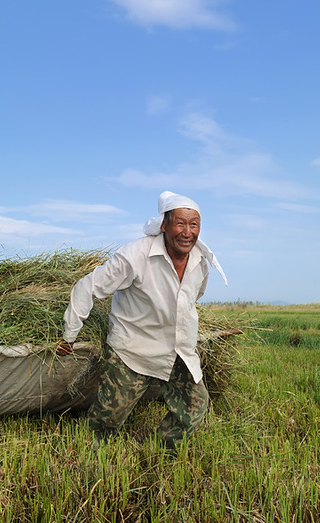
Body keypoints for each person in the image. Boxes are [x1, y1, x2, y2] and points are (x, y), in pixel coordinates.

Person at [59, 191, 227, 448]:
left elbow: (193, 297)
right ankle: (90, 455)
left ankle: (164, 450)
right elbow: (87, 287)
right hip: (133, 347)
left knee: (195, 405)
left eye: (193, 224)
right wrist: (69, 335)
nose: (187, 232)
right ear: (163, 225)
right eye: (180, 223)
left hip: (177, 348)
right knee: (108, 418)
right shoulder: (134, 255)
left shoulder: (201, 261)